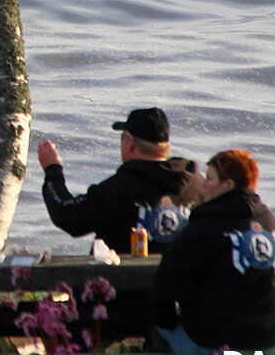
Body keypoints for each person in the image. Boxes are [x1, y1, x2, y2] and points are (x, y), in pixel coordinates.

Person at [153, 149, 275, 355]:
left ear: (228, 185)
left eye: (209, 179)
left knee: (161, 325)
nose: (204, 186)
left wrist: (169, 320)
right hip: (272, 342)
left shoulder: (205, 226)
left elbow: (165, 285)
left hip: (214, 344)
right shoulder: (271, 223)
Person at [37, 107, 203, 255]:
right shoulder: (197, 184)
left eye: (123, 137)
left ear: (129, 142)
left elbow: (69, 216)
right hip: (186, 284)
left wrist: (53, 171)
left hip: (124, 285)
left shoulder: (122, 187)